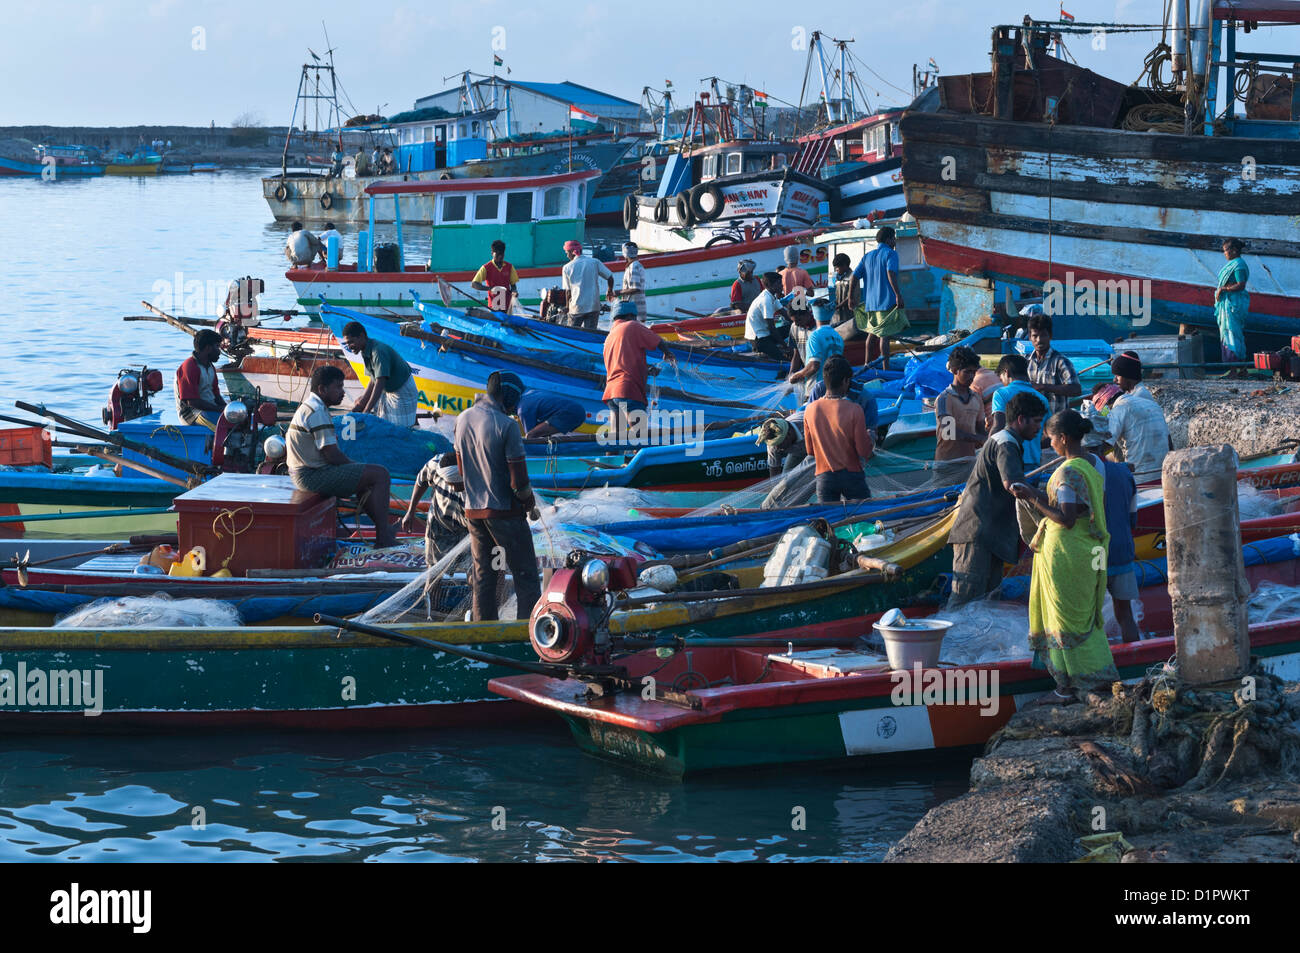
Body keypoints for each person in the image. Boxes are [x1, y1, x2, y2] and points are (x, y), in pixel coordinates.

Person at [1010, 411, 1119, 703]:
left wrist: (1033, 498)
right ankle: (1089, 678)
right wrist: (1034, 491)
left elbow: (1067, 518)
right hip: (1086, 550)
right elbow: (1077, 509)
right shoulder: (1091, 467)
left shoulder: (1069, 471)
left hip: (1066, 554)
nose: (1050, 444)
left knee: (1063, 621)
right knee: (1083, 619)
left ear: (1064, 438)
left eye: (1052, 439)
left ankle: (1066, 687)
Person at [453, 371, 542, 621]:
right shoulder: (507, 425)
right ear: (508, 395)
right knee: (525, 574)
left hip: (474, 514)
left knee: (486, 575)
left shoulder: (462, 419)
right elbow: (519, 480)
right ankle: (526, 633)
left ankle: (484, 633)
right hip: (505, 515)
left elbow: (461, 470)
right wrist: (528, 502)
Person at [948, 391, 1045, 605]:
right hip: (978, 532)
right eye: (1037, 421)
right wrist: (1047, 501)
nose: (1039, 428)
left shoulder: (1008, 441)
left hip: (991, 534)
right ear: (1021, 420)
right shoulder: (1006, 443)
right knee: (965, 601)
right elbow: (1014, 485)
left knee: (987, 602)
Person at [287, 365, 398, 548]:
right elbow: (332, 455)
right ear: (322, 389)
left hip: (308, 473)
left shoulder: (313, 407)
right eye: (338, 387)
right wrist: (356, 466)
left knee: (367, 478)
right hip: (311, 476)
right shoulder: (316, 411)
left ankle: (383, 531)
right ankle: (383, 538)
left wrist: (358, 469)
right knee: (380, 474)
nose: (343, 392)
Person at [803, 355, 874, 503]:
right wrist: (870, 437)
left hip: (824, 478)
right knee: (865, 520)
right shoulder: (855, 410)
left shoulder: (810, 410)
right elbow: (863, 451)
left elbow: (810, 451)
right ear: (845, 381)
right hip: (852, 477)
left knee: (830, 523)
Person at [602, 300, 676, 438]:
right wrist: (667, 353)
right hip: (628, 390)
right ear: (630, 315)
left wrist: (646, 369)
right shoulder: (632, 326)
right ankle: (639, 459)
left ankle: (611, 459)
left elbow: (621, 363)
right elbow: (658, 340)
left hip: (612, 392)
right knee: (640, 436)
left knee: (616, 438)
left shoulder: (610, 336)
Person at [1104, 352, 1172, 484]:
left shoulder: (1137, 398)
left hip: (1145, 468)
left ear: (1128, 376)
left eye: (1118, 376)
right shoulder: (1134, 394)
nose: (1114, 380)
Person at [341, 321, 418, 428]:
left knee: (400, 429)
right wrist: (362, 402)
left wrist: (366, 410)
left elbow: (380, 382)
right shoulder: (365, 349)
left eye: (351, 342)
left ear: (362, 336)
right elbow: (373, 379)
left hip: (402, 391)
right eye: (347, 344)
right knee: (379, 418)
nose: (349, 347)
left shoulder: (378, 351)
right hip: (389, 390)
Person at [1097, 454, 1140, 643]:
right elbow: (1133, 520)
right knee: (1125, 613)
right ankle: (1136, 660)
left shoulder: (1076, 471)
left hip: (1095, 553)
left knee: (1089, 615)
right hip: (1122, 549)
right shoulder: (1124, 472)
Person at [851, 225, 910, 364]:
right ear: (889, 240)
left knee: (872, 334)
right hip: (886, 301)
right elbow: (890, 272)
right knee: (885, 336)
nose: (895, 242)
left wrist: (850, 297)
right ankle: (886, 369)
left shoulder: (867, 256)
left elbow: (854, 276)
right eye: (893, 239)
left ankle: (867, 364)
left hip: (870, 303)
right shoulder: (891, 253)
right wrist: (898, 295)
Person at [401, 452, 467, 565]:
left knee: (474, 572)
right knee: (433, 570)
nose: (455, 489)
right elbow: (421, 482)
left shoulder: (478, 474)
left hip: (468, 527)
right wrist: (410, 512)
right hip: (439, 524)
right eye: (451, 484)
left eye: (459, 485)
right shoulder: (435, 464)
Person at [990, 353, 1049, 470]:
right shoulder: (1042, 398)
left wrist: (987, 453)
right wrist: (1033, 446)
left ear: (1006, 373)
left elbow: (998, 427)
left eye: (1001, 378)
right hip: (1033, 462)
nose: (1002, 382)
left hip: (1008, 460)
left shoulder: (1001, 393)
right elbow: (1049, 435)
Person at [934, 345, 987, 468]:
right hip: (946, 464)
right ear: (954, 370)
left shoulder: (976, 398)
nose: (972, 376)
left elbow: (980, 429)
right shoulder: (944, 398)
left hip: (969, 463)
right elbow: (948, 432)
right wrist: (978, 438)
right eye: (967, 372)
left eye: (974, 372)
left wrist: (987, 439)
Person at [1025, 310, 1081, 416]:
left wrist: (1043, 387)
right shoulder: (1026, 361)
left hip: (1056, 423)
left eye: (1043, 335)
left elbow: (1076, 389)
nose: (1039, 340)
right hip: (1033, 425)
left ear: (1050, 336)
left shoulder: (1061, 361)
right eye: (1035, 336)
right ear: (1029, 337)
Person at [788, 300, 844, 400]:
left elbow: (814, 365)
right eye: (794, 321)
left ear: (809, 314)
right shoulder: (837, 336)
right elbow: (796, 354)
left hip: (815, 385)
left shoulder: (815, 335)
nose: (796, 324)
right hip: (833, 386)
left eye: (799, 320)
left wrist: (797, 376)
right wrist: (791, 375)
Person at [175, 329, 227, 430]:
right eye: (217, 346)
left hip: (209, 410)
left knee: (239, 421)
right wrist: (218, 409)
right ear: (208, 348)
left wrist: (227, 409)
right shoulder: (189, 367)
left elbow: (216, 395)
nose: (219, 351)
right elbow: (193, 402)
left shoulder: (210, 367)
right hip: (192, 414)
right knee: (225, 428)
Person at [561, 239, 614, 331]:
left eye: (567, 253)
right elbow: (610, 277)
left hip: (577, 308)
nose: (567, 255)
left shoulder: (567, 267)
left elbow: (568, 292)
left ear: (572, 252)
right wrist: (609, 290)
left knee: (573, 334)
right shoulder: (594, 262)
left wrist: (567, 307)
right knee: (590, 334)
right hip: (593, 306)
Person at [1215, 238, 1250, 363]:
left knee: (1233, 334)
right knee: (1229, 334)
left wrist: (1223, 289)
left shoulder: (1239, 264)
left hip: (1233, 304)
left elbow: (1241, 285)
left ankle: (1236, 367)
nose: (1224, 253)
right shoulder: (1233, 263)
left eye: (1225, 251)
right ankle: (1237, 367)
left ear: (1234, 250)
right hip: (1227, 303)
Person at [745, 272, 787, 360]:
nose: (782, 285)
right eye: (779, 283)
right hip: (759, 339)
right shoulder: (766, 300)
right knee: (783, 361)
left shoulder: (771, 296)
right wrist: (785, 346)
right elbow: (771, 328)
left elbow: (786, 315)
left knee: (790, 327)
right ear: (770, 285)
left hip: (765, 335)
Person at [516, 388, 586, 438]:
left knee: (531, 434)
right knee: (540, 432)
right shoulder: (528, 393)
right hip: (578, 409)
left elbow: (529, 436)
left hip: (570, 412)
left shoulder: (522, 410)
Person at [472, 240, 519, 312]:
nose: (500, 257)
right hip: (494, 306)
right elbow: (474, 284)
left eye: (502, 255)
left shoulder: (509, 267)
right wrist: (490, 289)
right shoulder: (486, 268)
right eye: (497, 255)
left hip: (507, 306)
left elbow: (513, 285)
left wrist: (514, 291)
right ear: (492, 253)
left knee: (508, 323)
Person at [829, 253, 860, 339]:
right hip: (839, 316)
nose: (836, 269)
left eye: (837, 267)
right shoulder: (839, 278)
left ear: (845, 265)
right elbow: (837, 296)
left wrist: (838, 306)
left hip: (850, 315)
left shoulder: (853, 277)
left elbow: (851, 297)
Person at [619, 242, 648, 320]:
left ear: (625, 254)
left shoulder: (634, 267)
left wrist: (618, 292)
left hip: (634, 312)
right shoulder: (634, 266)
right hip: (634, 310)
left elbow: (635, 288)